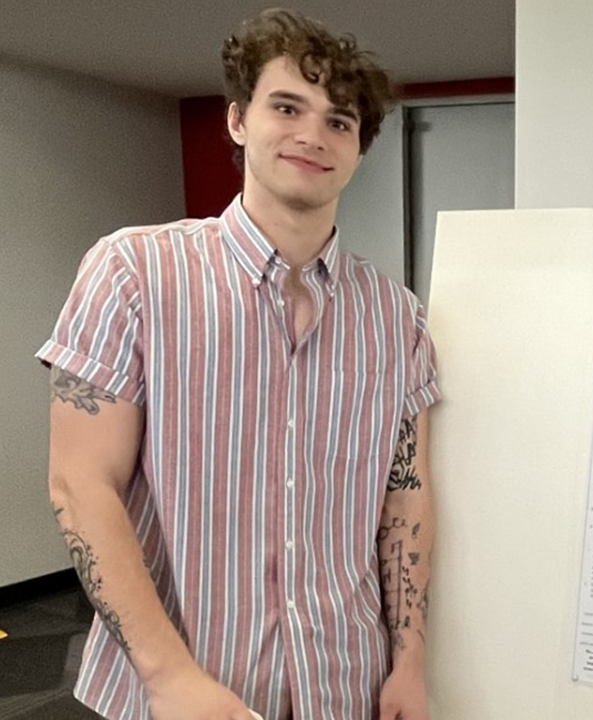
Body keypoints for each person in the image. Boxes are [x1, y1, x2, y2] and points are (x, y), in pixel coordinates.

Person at [38, 9, 437, 720]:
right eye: (287, 106)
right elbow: (79, 482)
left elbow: (403, 499)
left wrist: (408, 660)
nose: (313, 134)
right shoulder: (133, 273)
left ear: (359, 148)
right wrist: (168, 678)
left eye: (340, 121)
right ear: (237, 121)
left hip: (344, 684)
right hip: (175, 688)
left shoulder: (396, 318)